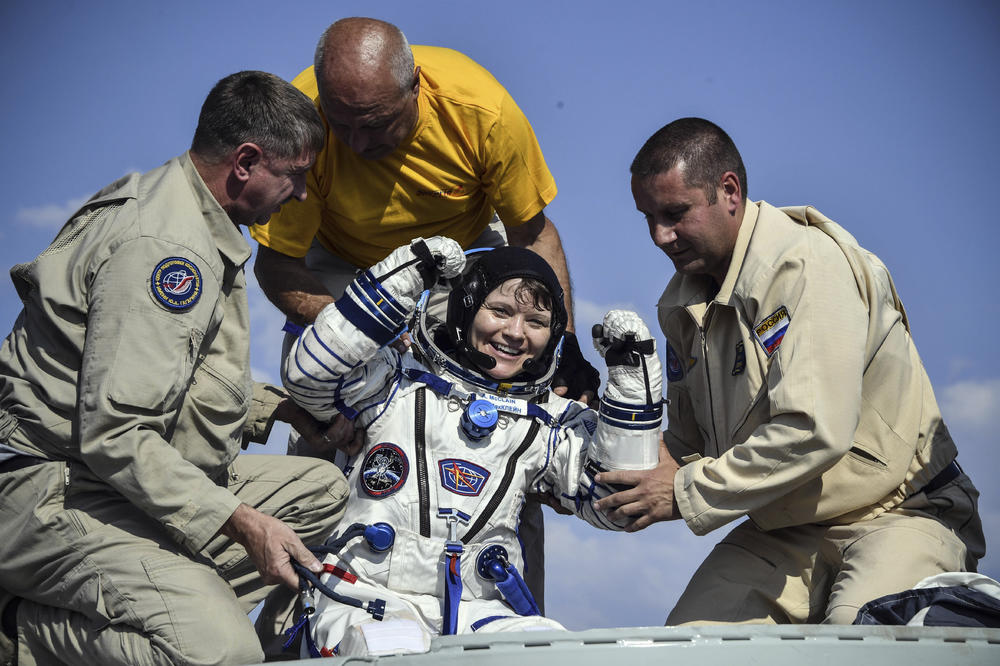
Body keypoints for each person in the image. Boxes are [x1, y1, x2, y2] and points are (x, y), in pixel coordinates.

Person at [0, 71, 352, 665]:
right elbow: (115, 433)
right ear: (245, 161)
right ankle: (23, 632)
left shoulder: (181, 204)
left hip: (112, 476)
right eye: (294, 175)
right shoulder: (168, 251)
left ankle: (173, 596)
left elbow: (172, 374)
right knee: (219, 653)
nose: (298, 195)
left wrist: (283, 410)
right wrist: (241, 521)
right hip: (55, 494)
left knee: (322, 492)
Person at [250, 15, 598, 614]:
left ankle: (514, 619)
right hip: (341, 261)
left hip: (464, 256)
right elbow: (276, 265)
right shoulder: (302, 114)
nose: (357, 144)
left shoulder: (482, 111)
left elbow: (533, 235)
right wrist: (364, 334)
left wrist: (564, 350)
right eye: (344, 126)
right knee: (332, 432)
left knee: (514, 428)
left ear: (417, 91)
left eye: (377, 125)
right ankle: (295, 624)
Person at [595, 117, 986, 625]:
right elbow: (689, 447)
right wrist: (598, 453)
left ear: (729, 191)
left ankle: (962, 613)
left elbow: (813, 430)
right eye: (647, 217)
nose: (659, 236)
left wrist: (680, 493)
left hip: (900, 512)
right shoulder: (682, 307)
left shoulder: (807, 266)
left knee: (857, 645)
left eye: (675, 213)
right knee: (683, 650)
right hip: (784, 527)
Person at [279, 237, 662, 656]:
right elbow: (309, 375)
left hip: (479, 609)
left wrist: (632, 382)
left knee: (551, 654)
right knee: (391, 648)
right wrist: (408, 272)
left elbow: (617, 501)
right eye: (500, 311)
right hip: (364, 595)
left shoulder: (548, 419)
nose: (515, 333)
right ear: (465, 308)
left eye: (535, 321)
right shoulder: (395, 380)